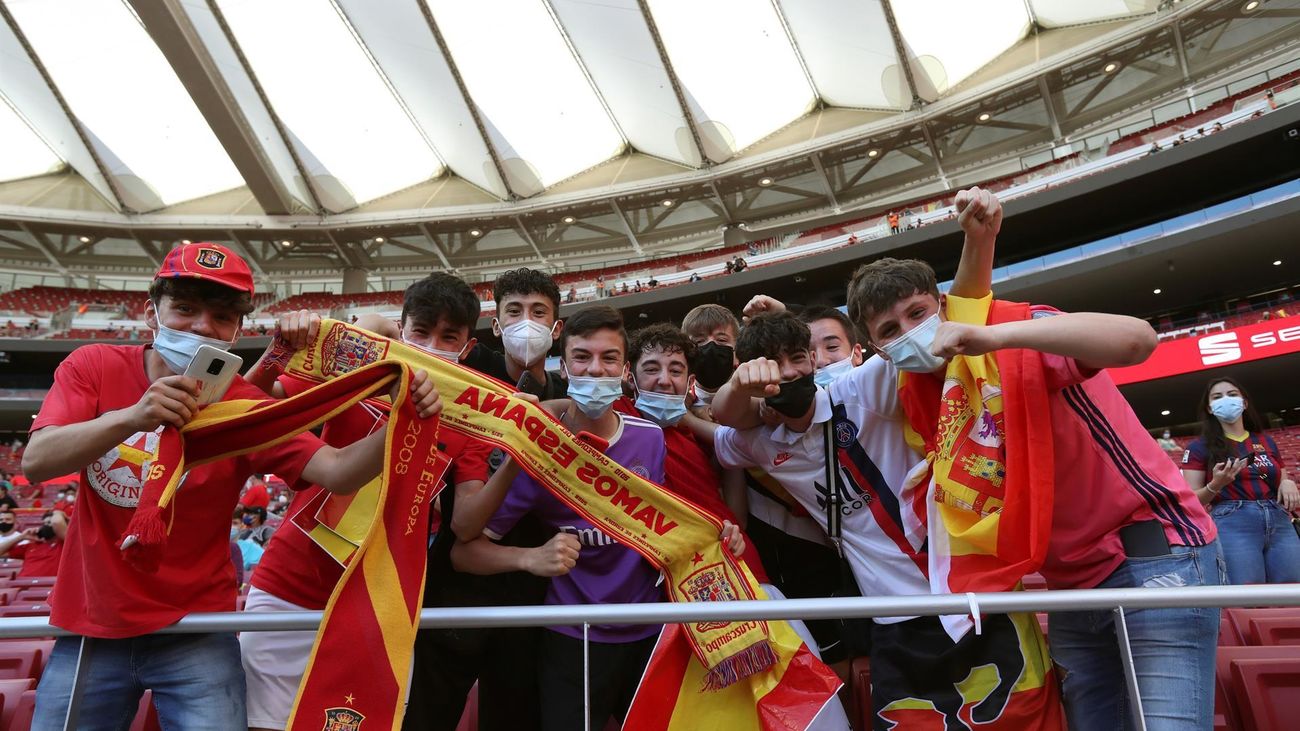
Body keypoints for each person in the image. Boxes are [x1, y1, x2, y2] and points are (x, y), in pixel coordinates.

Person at [20, 242, 441, 730]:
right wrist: (133, 416)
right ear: (151, 310)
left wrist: (402, 420)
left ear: (237, 330)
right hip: (92, 627)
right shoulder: (93, 365)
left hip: (197, 630)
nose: (200, 326)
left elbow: (338, 470)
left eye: (220, 316)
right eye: (183, 308)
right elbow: (36, 461)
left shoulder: (242, 405)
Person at [844, 222, 1220, 728]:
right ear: (876, 350)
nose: (909, 331)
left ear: (944, 306)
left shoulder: (1015, 327)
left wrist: (995, 336)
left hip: (1152, 557)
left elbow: (1137, 339)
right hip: (1068, 581)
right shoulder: (916, 397)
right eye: (889, 330)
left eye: (918, 313)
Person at [451, 305, 744, 731]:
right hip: (573, 637)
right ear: (564, 367)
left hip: (650, 629)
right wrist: (529, 559)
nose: (595, 369)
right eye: (582, 357)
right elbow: (464, 552)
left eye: (608, 359)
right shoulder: (538, 450)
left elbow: (663, 525)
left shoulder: (649, 438)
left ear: (624, 370)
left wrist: (718, 537)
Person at [243, 272, 493, 731]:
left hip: (380, 606)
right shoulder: (355, 370)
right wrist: (286, 349)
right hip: (291, 590)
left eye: (448, 337)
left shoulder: (468, 416)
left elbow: (466, 523)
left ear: (466, 348)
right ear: (401, 328)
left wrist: (517, 456)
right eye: (420, 331)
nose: (430, 345)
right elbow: (252, 412)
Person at [1181, 377, 1300, 584]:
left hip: (1279, 519)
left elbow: (1280, 477)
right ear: (1210, 408)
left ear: (1244, 403)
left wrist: (1287, 483)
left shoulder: (1265, 441)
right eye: (1217, 397)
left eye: (1232, 394)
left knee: (1292, 590)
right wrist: (1216, 485)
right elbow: (1191, 500)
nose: (1226, 400)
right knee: (1247, 594)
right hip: (1232, 521)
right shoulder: (1198, 447)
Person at [461, 268, 566, 401]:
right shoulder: (472, 363)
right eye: (514, 311)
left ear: (556, 329)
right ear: (496, 326)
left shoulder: (564, 394)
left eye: (538, 312)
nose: (526, 321)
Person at [0, 509, 68, 577]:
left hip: (50, 585)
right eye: (44, 523)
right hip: (22, 584)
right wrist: (22, 537)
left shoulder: (66, 544)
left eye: (50, 523)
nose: (46, 526)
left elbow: (57, 522)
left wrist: (58, 512)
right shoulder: (31, 545)